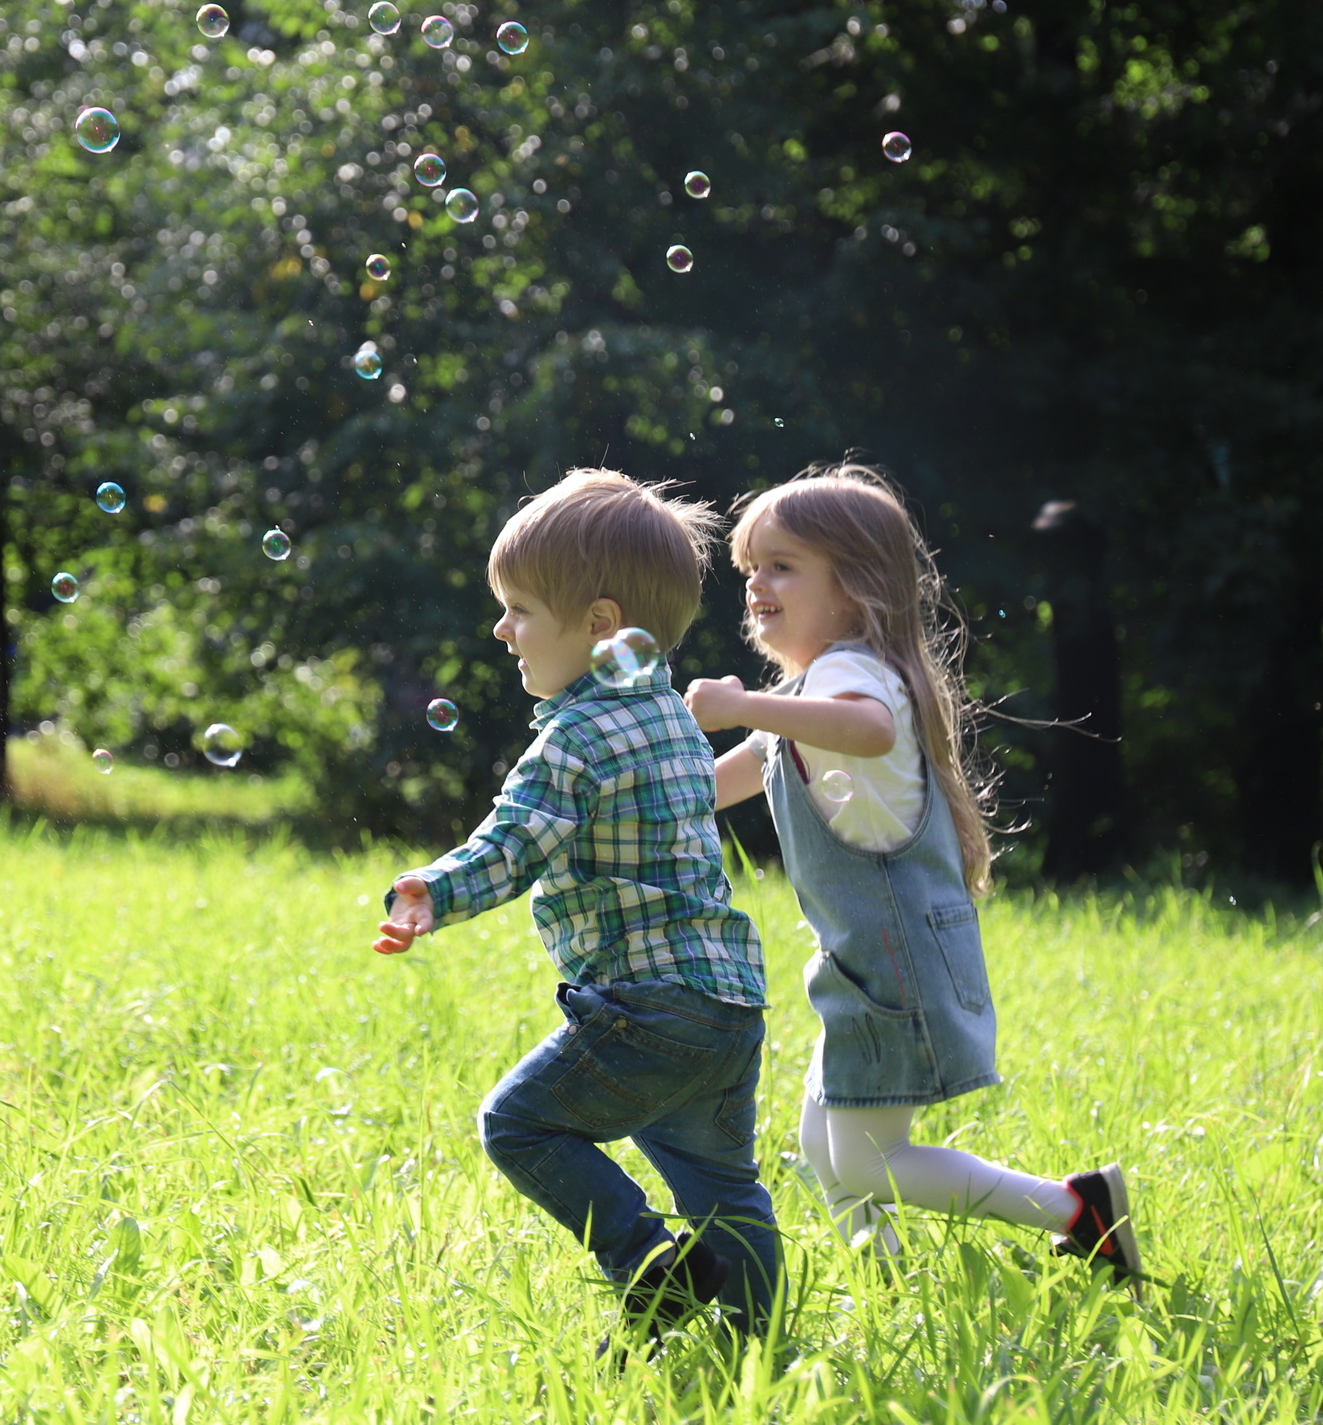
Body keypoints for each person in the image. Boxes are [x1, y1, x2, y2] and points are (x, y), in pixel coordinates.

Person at [683, 463, 1141, 1282]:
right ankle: (888, 1283)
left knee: (866, 1159)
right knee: (825, 1145)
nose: (755, 583)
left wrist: (743, 703)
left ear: (855, 587)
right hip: (868, 968)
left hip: (897, 969)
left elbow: (865, 730)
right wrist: (644, 803)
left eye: (782, 565)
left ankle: (1081, 1211)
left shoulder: (853, 675)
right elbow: (730, 777)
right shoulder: (811, 690)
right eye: (751, 567)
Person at [372, 468, 779, 1354]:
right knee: (724, 1186)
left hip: (645, 1009)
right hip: (728, 1005)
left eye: (519, 609)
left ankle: (645, 1259)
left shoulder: (575, 736)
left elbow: (513, 843)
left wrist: (434, 890)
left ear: (598, 624)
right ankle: (755, 1351)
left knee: (518, 1123)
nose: (501, 629)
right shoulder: (671, 716)